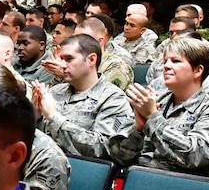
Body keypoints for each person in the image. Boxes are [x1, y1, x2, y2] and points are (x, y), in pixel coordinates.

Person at [112, 37, 209, 177]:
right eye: (165, 61)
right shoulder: (156, 102)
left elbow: (194, 156)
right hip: (138, 181)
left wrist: (153, 118)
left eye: (175, 61)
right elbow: (118, 156)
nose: (166, 66)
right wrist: (137, 130)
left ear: (198, 70)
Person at [32, 34, 133, 162]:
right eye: (61, 58)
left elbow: (105, 150)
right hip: (43, 165)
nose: (61, 65)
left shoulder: (113, 98)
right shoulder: (54, 91)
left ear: (91, 60)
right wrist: (36, 118)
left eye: (69, 59)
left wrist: (54, 117)